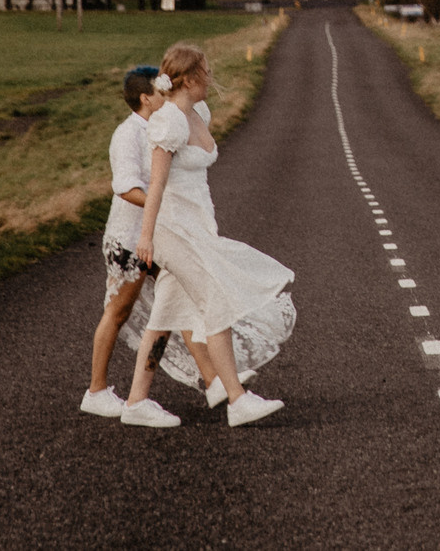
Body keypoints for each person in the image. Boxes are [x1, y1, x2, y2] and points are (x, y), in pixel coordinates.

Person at [121, 42, 295, 428]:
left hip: (198, 224)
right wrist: (146, 238)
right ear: (189, 78)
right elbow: (157, 185)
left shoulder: (198, 112)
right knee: (217, 300)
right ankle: (237, 399)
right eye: (205, 70)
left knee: (164, 314)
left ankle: (136, 401)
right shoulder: (169, 122)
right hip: (173, 230)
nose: (211, 76)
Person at [80, 66, 167, 416]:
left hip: (158, 237)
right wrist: (164, 205)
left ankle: (216, 377)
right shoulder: (128, 135)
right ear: (146, 98)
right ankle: (96, 391)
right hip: (129, 240)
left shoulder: (160, 129)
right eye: (162, 91)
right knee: (117, 312)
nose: (168, 97)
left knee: (185, 302)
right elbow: (126, 187)